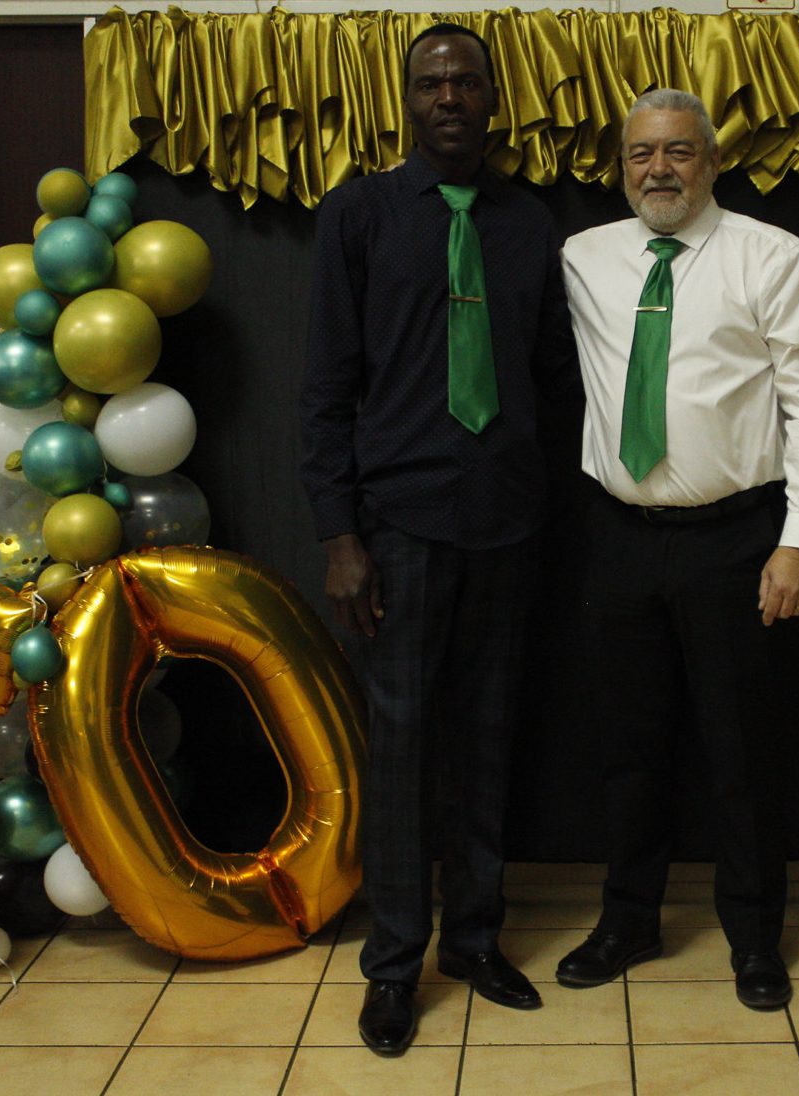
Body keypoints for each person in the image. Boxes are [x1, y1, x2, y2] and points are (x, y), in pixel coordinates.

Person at [300, 23, 576, 1057]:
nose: (449, 97)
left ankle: (473, 940)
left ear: (494, 99)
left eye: (466, 82)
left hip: (507, 523)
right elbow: (326, 387)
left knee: (488, 741)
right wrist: (340, 533)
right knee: (404, 751)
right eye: (431, 83)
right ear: (408, 101)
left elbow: (552, 376)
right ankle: (391, 967)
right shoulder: (359, 215)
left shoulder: (530, 223)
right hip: (399, 527)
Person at [556, 88, 799, 1011]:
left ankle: (754, 938)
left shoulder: (774, 257)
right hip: (618, 537)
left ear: (713, 163)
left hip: (735, 540)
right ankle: (628, 921)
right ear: (621, 166)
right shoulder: (582, 256)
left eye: (678, 152)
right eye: (640, 153)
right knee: (626, 749)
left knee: (740, 752)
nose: (659, 170)